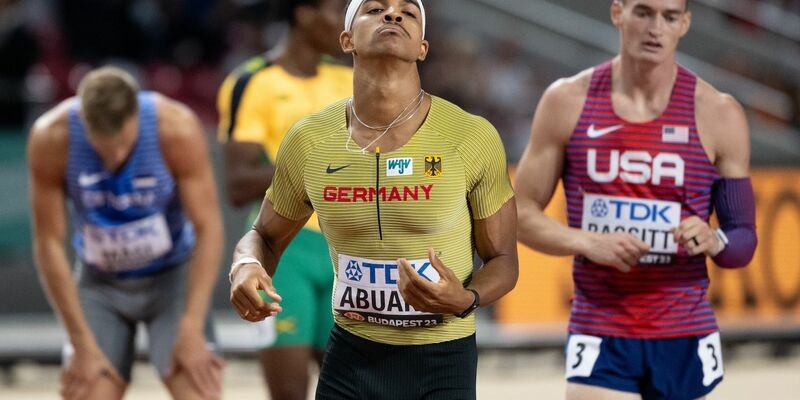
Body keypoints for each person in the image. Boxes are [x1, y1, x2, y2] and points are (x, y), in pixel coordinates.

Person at [229, 0, 519, 398]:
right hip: (351, 358)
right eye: (375, 9)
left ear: (422, 47)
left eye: (408, 12)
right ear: (346, 39)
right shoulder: (309, 139)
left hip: (442, 360)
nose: (392, 15)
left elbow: (504, 260)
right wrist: (245, 263)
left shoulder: (472, 137)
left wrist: (466, 298)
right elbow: (263, 233)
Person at [515, 1, 757, 399]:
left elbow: (743, 237)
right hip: (601, 324)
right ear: (617, 13)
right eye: (643, 12)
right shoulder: (567, 101)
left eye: (670, 16)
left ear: (685, 24)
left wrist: (715, 240)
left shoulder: (719, 113)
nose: (655, 28)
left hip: (685, 329)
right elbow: (519, 213)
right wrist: (587, 242)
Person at [28, 66, 225, 400]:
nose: (116, 156)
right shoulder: (52, 136)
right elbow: (48, 243)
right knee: (88, 389)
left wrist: (191, 328)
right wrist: (81, 343)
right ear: (84, 121)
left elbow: (208, 228)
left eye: (123, 143)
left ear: (137, 114)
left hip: (172, 276)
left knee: (197, 387)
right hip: (100, 283)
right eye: (104, 147)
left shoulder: (175, 127)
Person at [216, 0, 351, 398]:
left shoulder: (350, 81)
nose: (345, 20)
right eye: (336, 9)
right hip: (282, 251)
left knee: (353, 389)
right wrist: (317, 166)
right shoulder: (251, 82)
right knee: (289, 394)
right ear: (303, 14)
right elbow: (238, 185)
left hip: (347, 249)